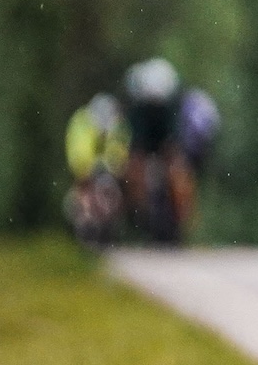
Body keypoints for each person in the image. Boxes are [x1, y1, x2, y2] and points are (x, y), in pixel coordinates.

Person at [119, 57, 215, 243]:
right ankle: (137, 213)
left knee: (179, 175)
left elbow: (175, 137)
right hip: (145, 146)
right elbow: (136, 140)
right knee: (133, 174)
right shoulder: (139, 107)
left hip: (166, 146)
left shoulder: (172, 106)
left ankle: (183, 216)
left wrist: (173, 153)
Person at [64, 93, 128, 246]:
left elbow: (119, 147)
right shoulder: (82, 122)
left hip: (107, 170)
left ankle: (110, 224)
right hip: (86, 169)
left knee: (115, 191)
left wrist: (113, 164)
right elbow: (78, 150)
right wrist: (86, 166)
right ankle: (84, 221)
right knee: (82, 193)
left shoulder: (117, 124)